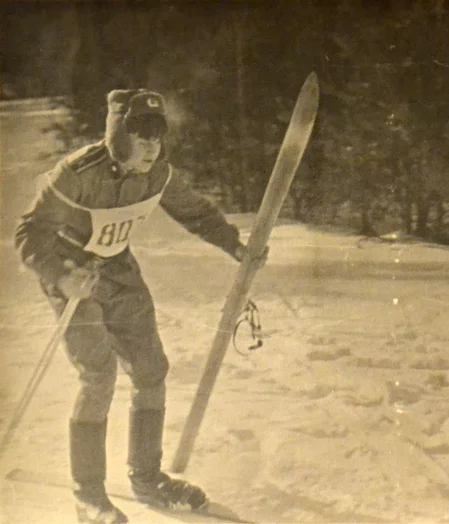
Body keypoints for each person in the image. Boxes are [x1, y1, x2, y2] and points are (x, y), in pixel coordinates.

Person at [14, 89, 267, 524]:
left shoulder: (159, 175)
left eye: (157, 133)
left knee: (152, 371)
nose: (151, 144)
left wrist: (235, 246)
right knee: (98, 376)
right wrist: (62, 276)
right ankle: (89, 496)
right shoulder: (75, 174)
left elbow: (197, 213)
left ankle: (147, 479)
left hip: (118, 271)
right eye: (141, 132)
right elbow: (29, 234)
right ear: (118, 134)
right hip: (73, 273)